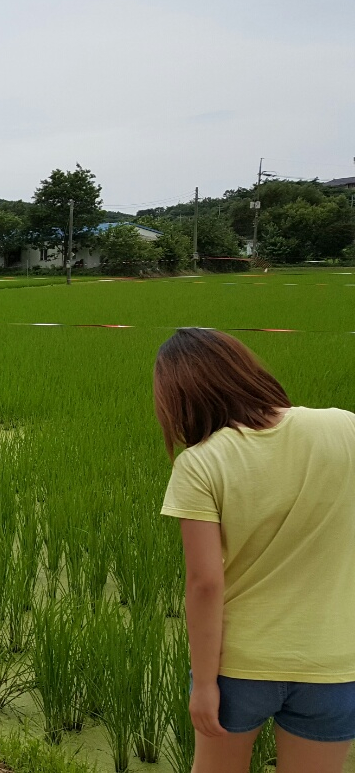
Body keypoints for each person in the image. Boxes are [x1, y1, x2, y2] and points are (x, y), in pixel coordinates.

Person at [155, 328, 355, 773]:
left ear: (180, 398)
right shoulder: (345, 425)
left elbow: (205, 582)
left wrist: (204, 684)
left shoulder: (201, 462)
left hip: (240, 666)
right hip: (334, 663)